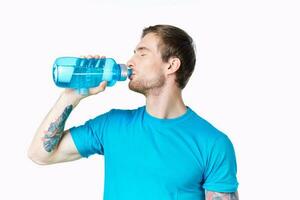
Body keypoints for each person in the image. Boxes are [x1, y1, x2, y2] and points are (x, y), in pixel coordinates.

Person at [28, 24, 239, 200]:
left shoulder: (213, 143)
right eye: (133, 53)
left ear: (171, 65)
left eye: (142, 53)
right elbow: (40, 155)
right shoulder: (111, 125)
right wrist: (72, 95)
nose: (130, 61)